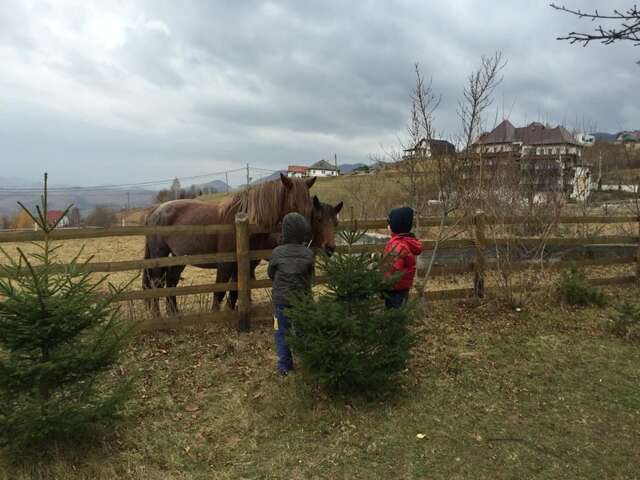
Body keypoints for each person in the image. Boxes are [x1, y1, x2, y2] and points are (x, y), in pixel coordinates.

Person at [267, 212, 315, 375]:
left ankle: (284, 366)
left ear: (284, 231)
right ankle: (309, 360)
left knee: (281, 332)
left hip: (281, 301)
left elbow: (271, 273)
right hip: (303, 300)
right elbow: (310, 276)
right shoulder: (308, 254)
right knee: (303, 331)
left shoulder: (276, 252)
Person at [383, 206, 423, 309]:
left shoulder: (398, 244)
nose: (387, 226)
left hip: (394, 289)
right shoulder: (405, 241)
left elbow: (394, 267)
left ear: (396, 226)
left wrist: (382, 281)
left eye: (389, 223)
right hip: (403, 288)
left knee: (393, 315)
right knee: (400, 312)